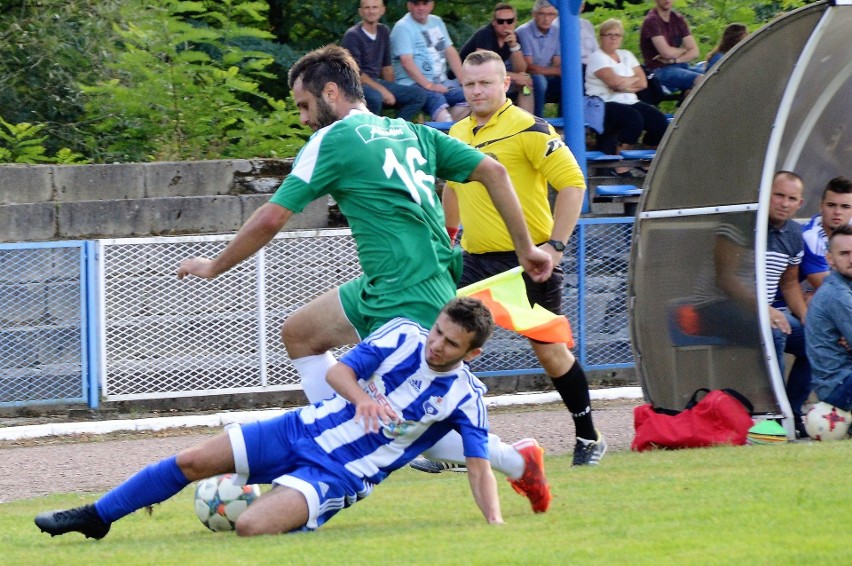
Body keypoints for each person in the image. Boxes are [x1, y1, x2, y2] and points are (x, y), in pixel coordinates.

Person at [175, 45, 552, 405]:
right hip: (409, 281)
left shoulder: (333, 139)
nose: (304, 118)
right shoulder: (413, 132)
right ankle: (337, 427)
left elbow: (272, 217)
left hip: (401, 293)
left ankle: (509, 455)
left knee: (418, 425)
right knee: (299, 333)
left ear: (332, 92)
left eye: (305, 106)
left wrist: (214, 266)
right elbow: (495, 172)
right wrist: (527, 249)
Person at [34, 298, 551, 539]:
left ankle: (302, 511)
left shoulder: (467, 396)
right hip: (300, 429)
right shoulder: (400, 334)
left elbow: (479, 467)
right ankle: (95, 518)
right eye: (437, 331)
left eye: (450, 343)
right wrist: (363, 399)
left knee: (250, 527)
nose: (436, 344)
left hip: (339, 474)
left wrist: (495, 525)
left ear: (474, 352)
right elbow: (340, 373)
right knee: (193, 459)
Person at [441, 50, 606, 467]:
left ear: (505, 84)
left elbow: (573, 184)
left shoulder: (531, 128)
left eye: (484, 83)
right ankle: (444, 447)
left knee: (550, 353)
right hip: (475, 263)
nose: (476, 91)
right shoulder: (457, 132)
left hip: (528, 265)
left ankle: (589, 437)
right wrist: (448, 236)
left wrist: (555, 247)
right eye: (469, 84)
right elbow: (452, 186)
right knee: (443, 343)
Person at [692, 172, 810, 436]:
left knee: (813, 339)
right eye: (779, 195)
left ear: (800, 204)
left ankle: (792, 415)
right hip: (716, 306)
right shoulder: (740, 222)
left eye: (792, 199)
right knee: (775, 332)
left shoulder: (794, 234)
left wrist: (807, 320)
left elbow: (790, 284)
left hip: (759, 311)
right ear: (764, 195)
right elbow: (726, 279)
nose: (784, 203)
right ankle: (775, 412)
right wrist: (765, 310)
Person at [585, 18, 668, 178]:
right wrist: (629, 80)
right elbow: (615, 83)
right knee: (633, 119)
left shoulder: (626, 55)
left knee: (658, 121)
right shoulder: (597, 57)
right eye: (609, 35)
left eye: (617, 35)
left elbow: (643, 82)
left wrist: (624, 83)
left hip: (629, 99)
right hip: (603, 102)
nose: (614, 38)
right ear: (601, 37)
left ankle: (645, 160)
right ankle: (620, 163)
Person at [341, 0, 433, 121]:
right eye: (367, 8)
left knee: (418, 95)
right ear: (361, 12)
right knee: (375, 97)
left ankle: (397, 128)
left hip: (376, 82)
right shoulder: (353, 35)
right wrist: (384, 91)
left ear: (382, 10)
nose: (371, 11)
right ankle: (370, 130)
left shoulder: (383, 31)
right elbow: (356, 73)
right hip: (356, 85)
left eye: (375, 7)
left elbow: (387, 67)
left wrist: (392, 90)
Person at [390, 0, 469, 121]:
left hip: (441, 81)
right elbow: (406, 62)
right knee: (437, 99)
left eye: (425, 3)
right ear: (409, 5)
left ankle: (446, 130)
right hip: (412, 84)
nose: (421, 8)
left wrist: (463, 79)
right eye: (416, 4)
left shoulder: (436, 22)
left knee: (471, 94)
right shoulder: (403, 27)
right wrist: (429, 85)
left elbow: (449, 50)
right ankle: (444, 129)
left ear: (432, 5)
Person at [805, 225, 852, 414]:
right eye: (844, 253)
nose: (851, 259)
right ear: (830, 259)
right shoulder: (837, 295)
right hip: (839, 388)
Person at [457, 2, 534, 114]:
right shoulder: (485, 34)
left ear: (515, 21)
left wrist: (514, 47)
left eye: (510, 21)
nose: (505, 25)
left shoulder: (513, 37)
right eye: (500, 21)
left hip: (489, 78)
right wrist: (516, 77)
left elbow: (521, 70)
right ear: (494, 22)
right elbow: (483, 68)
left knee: (526, 83)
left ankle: (527, 123)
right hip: (465, 78)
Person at [800, 177, 852, 295]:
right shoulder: (809, 237)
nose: (837, 212)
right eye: (831, 205)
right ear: (821, 206)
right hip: (802, 305)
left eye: (845, 206)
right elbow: (832, 291)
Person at [639, 0, 702, 94]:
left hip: (680, 66)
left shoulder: (678, 19)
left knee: (713, 74)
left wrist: (675, 60)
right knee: (701, 80)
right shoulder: (651, 21)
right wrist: (685, 50)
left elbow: (695, 52)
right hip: (659, 70)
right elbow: (666, 53)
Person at [516, 0, 561, 118]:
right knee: (539, 81)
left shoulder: (557, 32)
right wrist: (554, 70)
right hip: (524, 77)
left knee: (569, 81)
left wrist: (555, 71)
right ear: (534, 14)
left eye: (551, 14)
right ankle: (537, 121)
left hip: (547, 76)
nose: (546, 18)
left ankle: (565, 125)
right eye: (542, 14)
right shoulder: (523, 31)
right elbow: (529, 67)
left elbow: (558, 66)